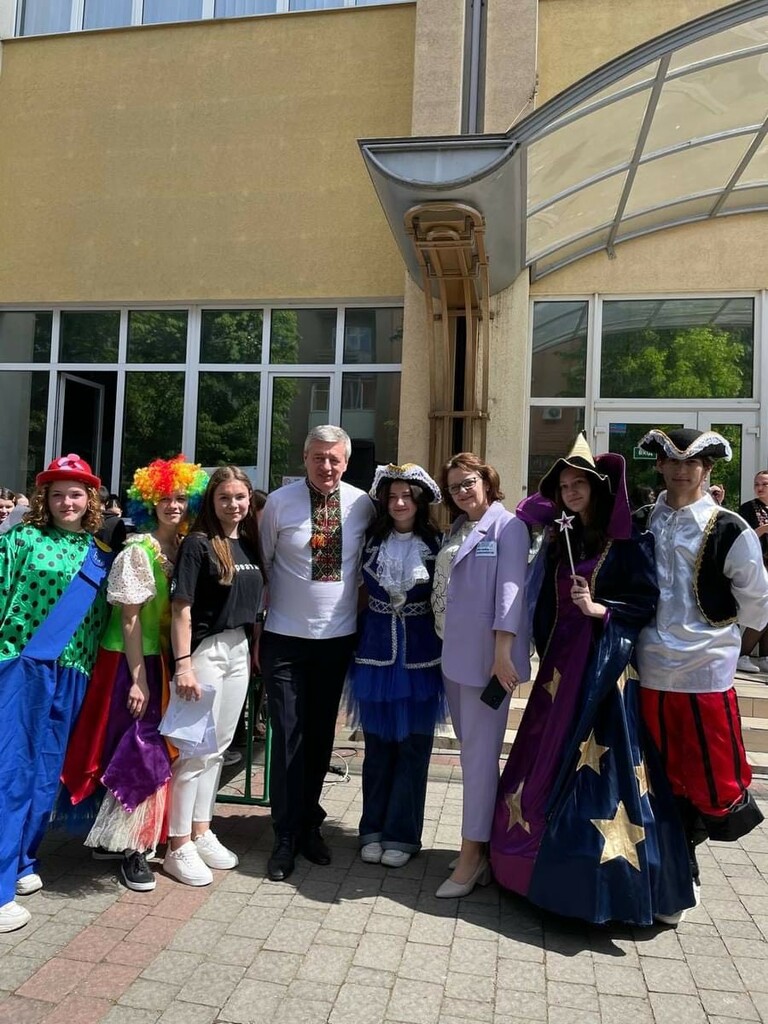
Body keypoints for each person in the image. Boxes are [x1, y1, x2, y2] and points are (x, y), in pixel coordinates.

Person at [490, 434, 693, 925]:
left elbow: (645, 601)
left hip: (603, 669)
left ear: (597, 488)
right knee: (544, 755)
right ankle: (526, 865)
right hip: (560, 666)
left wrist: (600, 608)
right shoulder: (564, 539)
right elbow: (529, 518)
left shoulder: (628, 541)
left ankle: (620, 886)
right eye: (564, 486)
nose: (571, 492)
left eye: (579, 483)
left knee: (609, 768)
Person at [636, 428, 768, 924]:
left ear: (707, 469)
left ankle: (684, 860)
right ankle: (667, 870)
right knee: (655, 775)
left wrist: (721, 641)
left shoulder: (729, 527)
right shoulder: (642, 521)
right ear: (660, 466)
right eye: (671, 462)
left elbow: (757, 601)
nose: (680, 470)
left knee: (708, 776)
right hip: (649, 667)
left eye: (691, 463)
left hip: (703, 672)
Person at [60, 456, 208, 891]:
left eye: (180, 498)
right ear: (149, 503)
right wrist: (139, 678)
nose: (173, 505)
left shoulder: (181, 547)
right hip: (129, 662)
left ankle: (126, 838)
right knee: (139, 749)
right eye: (164, 498)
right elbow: (129, 620)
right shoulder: (137, 552)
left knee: (145, 748)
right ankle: (132, 849)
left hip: (158, 661)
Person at [0, 454, 111, 932]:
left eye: (76, 494)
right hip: (23, 664)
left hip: (75, 672)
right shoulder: (22, 539)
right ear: (43, 498)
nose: (68, 502)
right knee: (11, 770)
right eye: (58, 493)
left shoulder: (100, 553)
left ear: (91, 500)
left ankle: (22, 859)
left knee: (46, 773)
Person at [260, 425, 374, 882]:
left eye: (334, 459)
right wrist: (257, 634)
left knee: (321, 737)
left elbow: (365, 571)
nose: (326, 466)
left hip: (337, 640)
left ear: (346, 462)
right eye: (318, 457)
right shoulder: (278, 503)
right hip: (285, 638)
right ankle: (285, 835)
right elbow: (265, 565)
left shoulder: (362, 504)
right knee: (288, 736)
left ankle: (310, 824)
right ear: (305, 458)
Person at [431, 452, 529, 899]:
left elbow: (511, 592)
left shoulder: (508, 527)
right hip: (455, 658)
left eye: (468, 482)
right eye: (454, 487)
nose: (462, 491)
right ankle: (480, 849)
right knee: (473, 755)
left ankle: (471, 858)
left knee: (479, 759)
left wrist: (503, 653)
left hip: (489, 664)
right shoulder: (458, 528)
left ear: (487, 481)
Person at [164, 466, 264, 886]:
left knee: (219, 748)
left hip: (237, 649)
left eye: (240, 497)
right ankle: (178, 844)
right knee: (193, 750)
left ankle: (202, 830)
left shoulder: (249, 543)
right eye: (225, 497)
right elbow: (181, 609)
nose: (233, 504)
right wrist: (183, 664)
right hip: (204, 652)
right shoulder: (198, 544)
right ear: (212, 501)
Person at [349, 463, 444, 868]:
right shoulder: (371, 542)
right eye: (393, 497)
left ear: (419, 501)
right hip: (375, 657)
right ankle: (372, 828)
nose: (400, 503)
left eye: (407, 496)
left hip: (421, 659)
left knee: (413, 749)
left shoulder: (438, 544)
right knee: (377, 748)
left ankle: (402, 835)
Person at [737, 470, 768, 674]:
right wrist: (762, 530)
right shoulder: (748, 509)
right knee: (763, 609)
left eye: (764, 484)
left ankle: (765, 656)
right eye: (757, 484)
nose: (759, 488)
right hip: (759, 565)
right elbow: (742, 538)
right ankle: (742, 654)